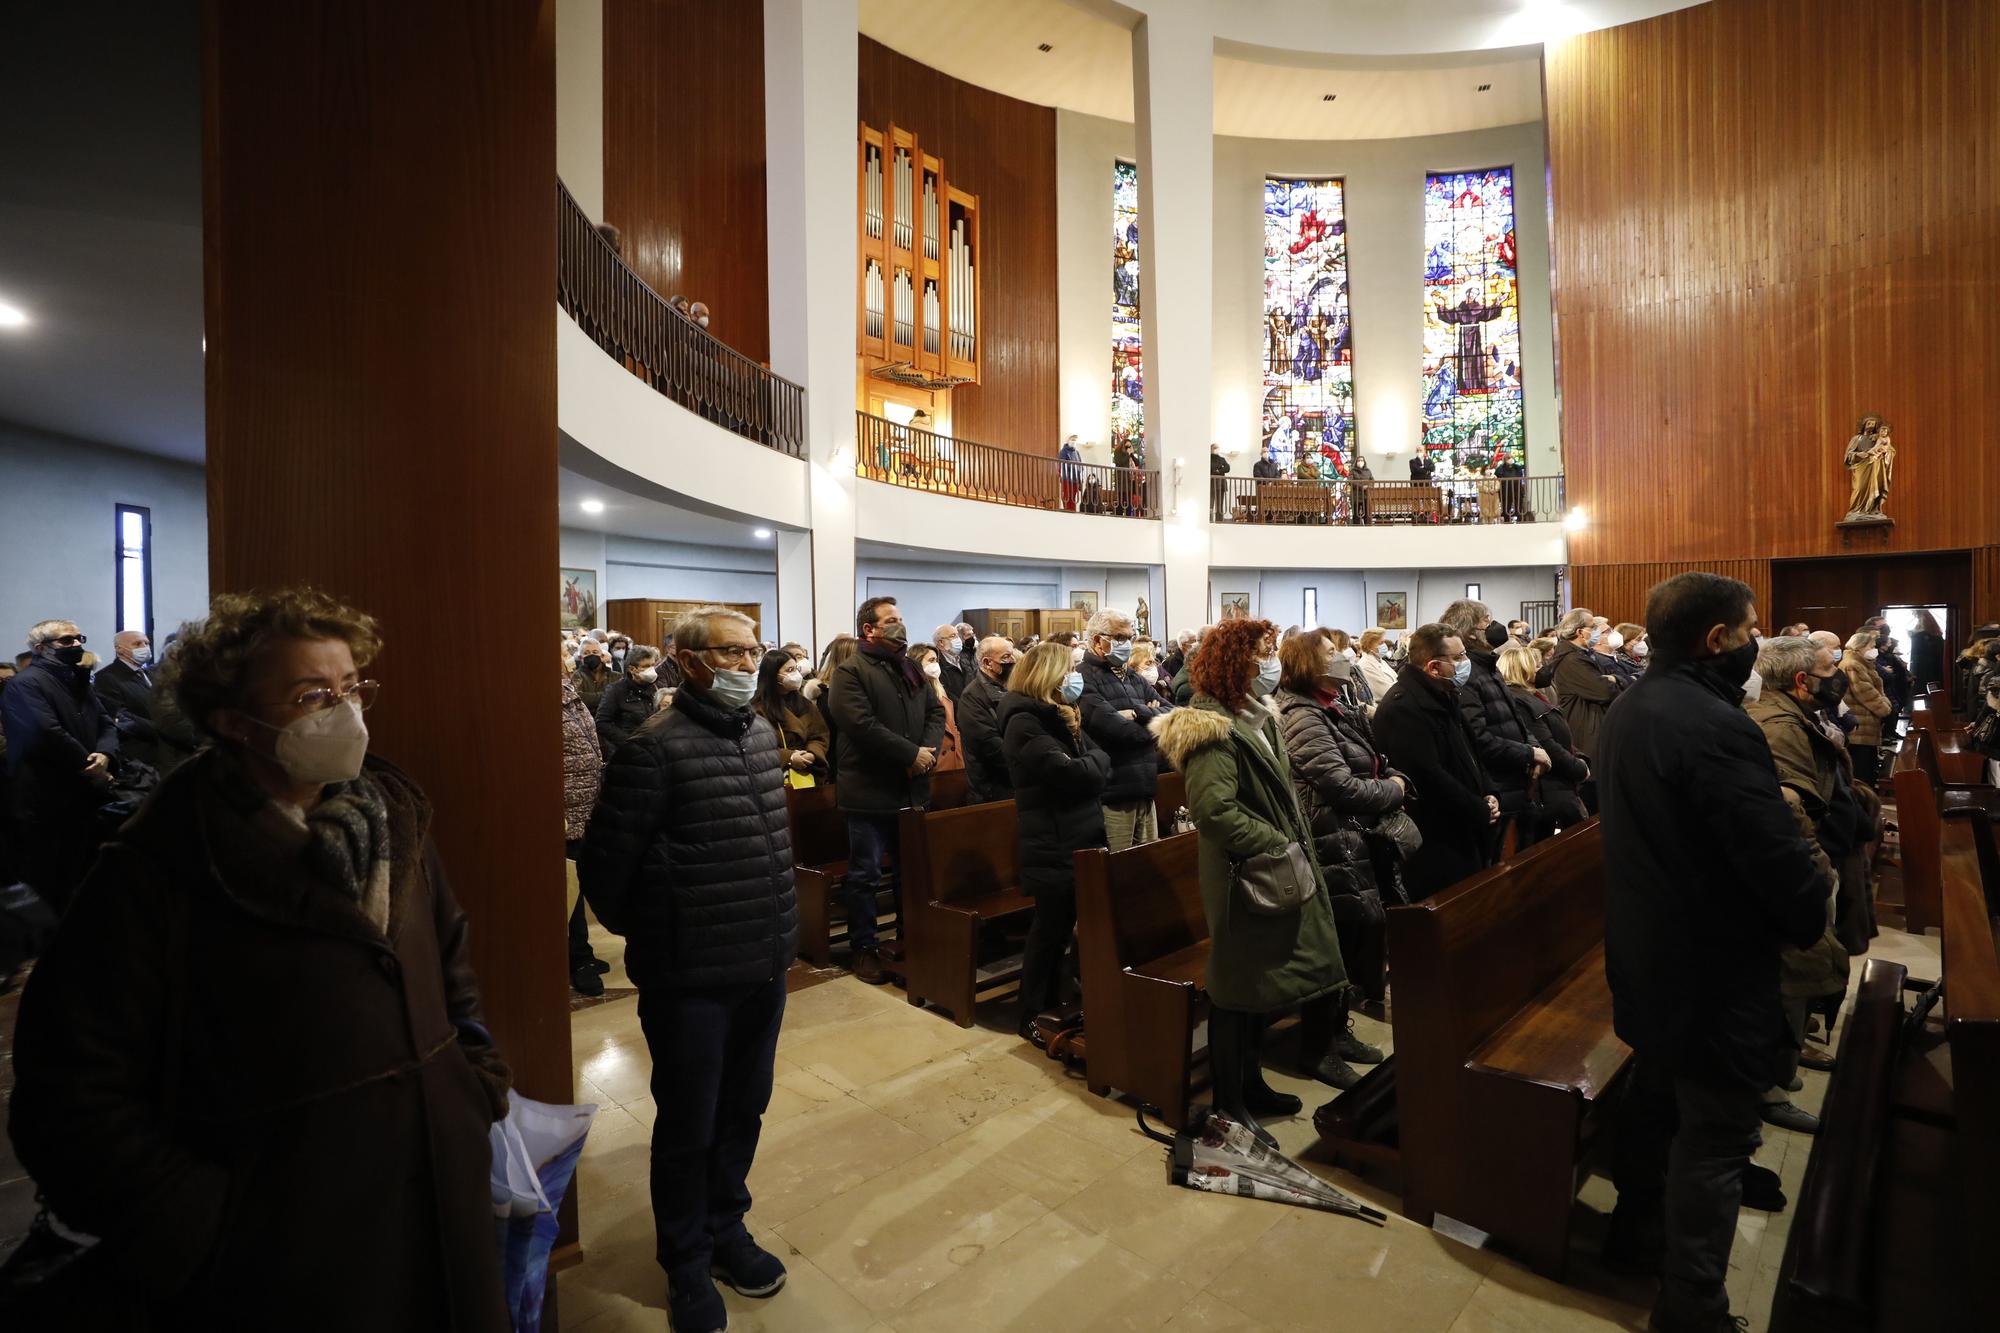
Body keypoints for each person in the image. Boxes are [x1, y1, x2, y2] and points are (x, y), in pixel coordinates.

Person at [10, 589, 512, 1328]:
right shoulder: (157, 867)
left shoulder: (394, 816)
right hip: (286, 1242)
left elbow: (451, 960)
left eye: (351, 688)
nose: (344, 713)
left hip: (437, 1182)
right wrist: (203, 1224)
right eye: (314, 694)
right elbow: (70, 1089)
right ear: (231, 719)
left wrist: (476, 1080)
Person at [1596, 573, 1830, 1331]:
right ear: (1717, 639)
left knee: (1660, 1103)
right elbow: (1771, 857)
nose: (1758, 639)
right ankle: (1692, 1305)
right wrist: (1808, 904)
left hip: (1648, 952)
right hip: (1712, 972)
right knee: (1713, 1139)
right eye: (1752, 627)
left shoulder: (1632, 706)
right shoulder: (1715, 724)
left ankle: (1636, 1232)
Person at [579, 606, 798, 1333]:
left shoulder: (763, 733)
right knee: (690, 1121)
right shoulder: (654, 748)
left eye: (754, 650)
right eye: (732, 652)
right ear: (691, 659)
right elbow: (607, 873)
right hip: (691, 978)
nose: (747, 663)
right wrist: (667, 935)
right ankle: (683, 1255)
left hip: (763, 963)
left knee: (745, 1108)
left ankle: (727, 1227)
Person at [1149, 617, 1343, 1147]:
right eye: (1262, 652)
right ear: (1237, 661)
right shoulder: (1211, 728)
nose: (1272, 660)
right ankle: (1228, 1104)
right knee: (1235, 991)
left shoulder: (1258, 716)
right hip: (1243, 876)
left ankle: (1252, 1086)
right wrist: (1276, 844)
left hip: (1268, 869)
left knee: (1260, 984)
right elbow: (1214, 812)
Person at [1271, 631, 1404, 1088]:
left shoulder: (1329, 707)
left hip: (1351, 837)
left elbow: (1368, 762)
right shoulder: (1300, 715)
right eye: (1331, 653)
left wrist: (1389, 776)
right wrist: (1394, 791)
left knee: (1352, 939)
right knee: (1334, 943)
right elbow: (1339, 785)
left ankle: (1337, 1030)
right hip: (1330, 840)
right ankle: (1317, 1048)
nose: (1343, 658)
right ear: (1309, 664)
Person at [1744, 637, 1858, 1136]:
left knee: (1794, 979)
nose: (1835, 674)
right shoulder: (1776, 724)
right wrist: (1818, 870)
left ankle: (1782, 1067)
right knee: (1785, 978)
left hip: (1816, 856)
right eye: (1827, 667)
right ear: (1798, 679)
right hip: (1802, 864)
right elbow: (1791, 807)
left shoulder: (1791, 714)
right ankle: (1768, 1084)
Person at [828, 597, 944, 983]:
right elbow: (860, 725)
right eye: (891, 620)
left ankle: (910, 938)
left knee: (909, 871)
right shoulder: (851, 671)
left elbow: (935, 711)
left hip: (912, 788)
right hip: (870, 790)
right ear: (869, 630)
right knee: (865, 874)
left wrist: (925, 753)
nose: (901, 625)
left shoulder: (909, 667)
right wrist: (910, 754)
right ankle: (864, 947)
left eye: (901, 618)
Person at [999, 642, 1110, 1041]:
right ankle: (1030, 1010)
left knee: (1065, 927)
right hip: (1052, 839)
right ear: (1048, 675)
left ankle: (1059, 997)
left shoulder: (1063, 715)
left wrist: (1091, 767)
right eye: (1068, 671)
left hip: (1078, 834)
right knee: (1050, 930)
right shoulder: (1024, 721)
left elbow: (1100, 760)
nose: (1074, 677)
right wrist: (1091, 768)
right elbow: (1073, 775)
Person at [1372, 622, 1499, 898]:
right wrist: (1478, 808)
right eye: (1458, 658)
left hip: (1464, 826)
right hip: (1436, 839)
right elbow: (1428, 777)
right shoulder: (1403, 708)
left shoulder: (1445, 695)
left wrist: (1489, 792)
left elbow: (1470, 753)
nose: (1466, 663)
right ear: (1433, 667)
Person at [1, 619, 120, 913]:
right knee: (49, 877)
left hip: (82, 792)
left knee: (83, 872)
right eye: (66, 641)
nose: (77, 644)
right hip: (46, 794)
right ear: (41, 648)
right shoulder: (25, 684)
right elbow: (46, 732)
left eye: (79, 638)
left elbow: (106, 722)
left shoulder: (76, 679)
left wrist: (104, 754)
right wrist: (91, 766)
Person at [1442, 599, 1558, 856]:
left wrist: (1534, 748)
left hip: (1518, 783)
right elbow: (1478, 736)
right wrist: (1528, 753)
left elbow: (1515, 720)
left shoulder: (1488, 666)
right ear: (1471, 631)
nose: (1495, 626)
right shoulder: (1468, 673)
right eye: (1487, 620)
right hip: (1499, 788)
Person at [1078, 608, 1172, 851]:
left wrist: (1139, 712)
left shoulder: (1132, 677)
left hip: (1145, 785)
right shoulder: (1083, 677)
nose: (1126, 644)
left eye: (1129, 637)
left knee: (1149, 865)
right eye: (1120, 638)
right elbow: (1118, 731)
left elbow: (1174, 716)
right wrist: (1153, 722)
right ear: (1098, 640)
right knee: (1119, 871)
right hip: (1113, 791)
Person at [1496, 643, 1589, 836]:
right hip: (1548, 789)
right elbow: (1547, 744)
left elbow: (1561, 737)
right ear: (1522, 670)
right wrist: (1578, 767)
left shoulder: (1534, 696)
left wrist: (1580, 758)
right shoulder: (1519, 701)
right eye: (1537, 665)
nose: (1544, 668)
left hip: (1559, 785)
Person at [562, 643, 609, 997]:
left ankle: (582, 951)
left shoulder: (567, 692)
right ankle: (577, 958)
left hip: (585, 807)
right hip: (563, 813)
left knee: (580, 884)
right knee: (569, 891)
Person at [1548, 608, 1620, 803]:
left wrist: (1616, 679)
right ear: (1580, 632)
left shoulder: (1581, 655)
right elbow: (1604, 691)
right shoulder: (1571, 659)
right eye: (1593, 627)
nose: (1597, 631)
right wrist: (1621, 681)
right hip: (1587, 736)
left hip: (1594, 729)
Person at [955, 635, 1016, 804]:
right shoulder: (972, 698)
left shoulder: (1013, 688)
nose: (1012, 661)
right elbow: (992, 747)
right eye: (1005, 657)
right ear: (987, 663)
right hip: (993, 790)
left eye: (1012, 655)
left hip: (1016, 782)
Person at [753, 648, 829, 784]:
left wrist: (812, 754)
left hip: (809, 773)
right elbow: (757, 748)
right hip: (775, 777)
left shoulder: (804, 703)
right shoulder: (758, 708)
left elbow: (820, 735)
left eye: (796, 669)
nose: (796, 675)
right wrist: (789, 757)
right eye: (789, 671)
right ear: (773, 675)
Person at [92, 629, 159, 770]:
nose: (144, 647)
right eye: (137, 644)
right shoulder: (107, 677)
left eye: (146, 643)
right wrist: (162, 729)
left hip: (162, 750)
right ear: (120, 649)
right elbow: (120, 716)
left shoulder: (150, 673)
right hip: (138, 755)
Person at [1837, 630, 1892, 786]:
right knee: (1861, 771)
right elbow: (1866, 694)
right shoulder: (1852, 665)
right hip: (1860, 726)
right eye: (1871, 646)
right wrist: (1885, 708)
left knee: (1868, 767)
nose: (1874, 649)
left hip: (1867, 724)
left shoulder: (1863, 663)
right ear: (1860, 647)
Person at [907, 643, 965, 772]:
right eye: (931, 660)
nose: (936, 665)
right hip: (933, 760)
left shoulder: (941, 690)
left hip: (955, 759)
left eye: (936, 660)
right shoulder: (913, 694)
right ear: (917, 663)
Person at [595, 643, 663, 755]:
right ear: (632, 669)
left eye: (653, 665)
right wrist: (629, 742)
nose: (651, 669)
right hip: (626, 753)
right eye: (646, 666)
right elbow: (602, 723)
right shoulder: (616, 690)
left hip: (653, 751)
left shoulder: (655, 688)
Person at [1355, 627, 1399, 705]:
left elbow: (1397, 679)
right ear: (1369, 645)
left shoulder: (1380, 661)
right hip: (1384, 707)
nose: (1384, 646)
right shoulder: (1365, 665)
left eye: (1384, 642)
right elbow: (1386, 691)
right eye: (1380, 643)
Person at [1906, 607, 1945, 694]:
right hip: (1935, 670)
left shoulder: (1918, 636)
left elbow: (1916, 657)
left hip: (1921, 671)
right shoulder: (1936, 635)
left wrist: (1912, 674)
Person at [573, 637, 614, 713]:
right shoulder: (576, 676)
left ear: (601, 655)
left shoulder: (615, 676)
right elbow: (579, 699)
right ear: (580, 657)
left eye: (595, 652)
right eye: (586, 653)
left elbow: (619, 698)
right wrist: (609, 695)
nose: (591, 655)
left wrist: (590, 697)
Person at [929, 624, 970, 698]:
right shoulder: (935, 666)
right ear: (941, 642)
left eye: (957, 635)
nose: (958, 639)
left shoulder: (965, 657)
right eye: (953, 636)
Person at [1128, 639, 1172, 704]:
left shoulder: (1157, 687)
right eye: (1148, 663)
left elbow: (1168, 707)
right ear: (1134, 666)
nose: (1152, 667)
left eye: (1153, 663)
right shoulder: (1128, 690)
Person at [1495, 454, 1525, 520]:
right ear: (1505, 460)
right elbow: (1499, 476)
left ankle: (1520, 521)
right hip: (1506, 491)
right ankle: (1507, 521)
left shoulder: (1517, 467)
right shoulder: (1500, 468)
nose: (1510, 459)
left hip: (1517, 490)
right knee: (1506, 507)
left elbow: (1520, 475)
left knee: (1519, 507)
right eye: (1508, 458)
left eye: (1511, 458)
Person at [1058, 435, 1084, 510]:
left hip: (1075, 479)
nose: (1074, 441)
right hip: (1067, 478)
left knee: (1073, 497)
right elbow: (1062, 464)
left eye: (1075, 440)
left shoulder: (1077, 452)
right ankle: (1068, 511)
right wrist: (1073, 466)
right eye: (1072, 439)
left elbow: (1080, 464)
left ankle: (1073, 511)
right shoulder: (1063, 451)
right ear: (1068, 440)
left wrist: (1080, 478)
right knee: (1067, 496)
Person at [1348, 454, 1373, 524]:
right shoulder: (1353, 471)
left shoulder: (1368, 471)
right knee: (1356, 514)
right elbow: (1350, 481)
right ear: (1356, 462)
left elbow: (1372, 480)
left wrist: (1368, 486)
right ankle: (1356, 528)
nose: (1360, 462)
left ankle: (1367, 528)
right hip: (1356, 495)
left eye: (1362, 460)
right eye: (1358, 460)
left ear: (1364, 462)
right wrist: (1361, 487)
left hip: (1366, 495)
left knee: (1367, 513)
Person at [1209, 442, 1229, 519]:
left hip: (1221, 484)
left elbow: (1227, 468)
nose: (1216, 449)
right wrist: (1220, 468)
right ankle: (1209, 520)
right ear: (1211, 449)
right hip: (1211, 484)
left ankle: (1219, 520)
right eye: (1214, 448)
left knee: (1220, 505)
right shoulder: (1208, 458)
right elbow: (1211, 468)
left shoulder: (1222, 459)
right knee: (1210, 504)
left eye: (1217, 448)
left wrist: (1219, 470)